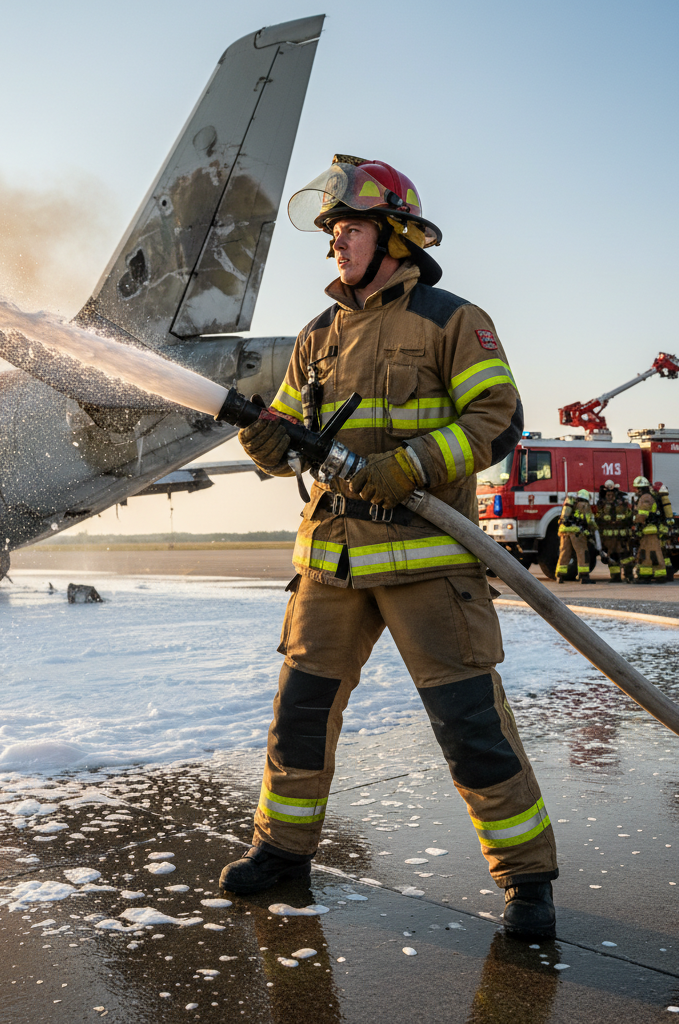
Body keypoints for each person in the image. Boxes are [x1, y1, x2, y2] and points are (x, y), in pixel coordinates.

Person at [223, 155, 558, 939]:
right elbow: (277, 446)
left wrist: (407, 466)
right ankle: (281, 853)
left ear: (395, 236)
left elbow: (496, 422)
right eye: (333, 233)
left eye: (349, 229)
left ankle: (528, 882)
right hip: (329, 565)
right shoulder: (318, 335)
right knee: (298, 720)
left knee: (469, 726)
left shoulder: (452, 320)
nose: (335, 245)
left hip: (428, 564)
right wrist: (261, 436)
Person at [554, 489, 597, 583]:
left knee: (564, 552)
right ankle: (584, 576)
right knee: (582, 552)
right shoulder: (584, 504)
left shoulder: (571, 503)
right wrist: (594, 528)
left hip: (564, 531)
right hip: (577, 532)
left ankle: (559, 576)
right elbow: (589, 521)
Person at [632, 476, 666, 582]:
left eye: (637, 488)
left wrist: (634, 521)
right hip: (649, 530)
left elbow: (643, 515)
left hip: (649, 530)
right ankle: (647, 575)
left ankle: (656, 575)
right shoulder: (648, 496)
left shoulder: (645, 498)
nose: (636, 491)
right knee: (646, 553)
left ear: (641, 488)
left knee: (651, 553)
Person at [596, 480, 633, 582]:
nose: (610, 497)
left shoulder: (622, 504)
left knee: (626, 556)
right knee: (612, 557)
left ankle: (629, 575)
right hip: (609, 538)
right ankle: (615, 577)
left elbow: (629, 517)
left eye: (612, 494)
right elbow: (599, 518)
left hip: (621, 537)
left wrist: (621, 521)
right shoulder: (602, 505)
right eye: (608, 495)